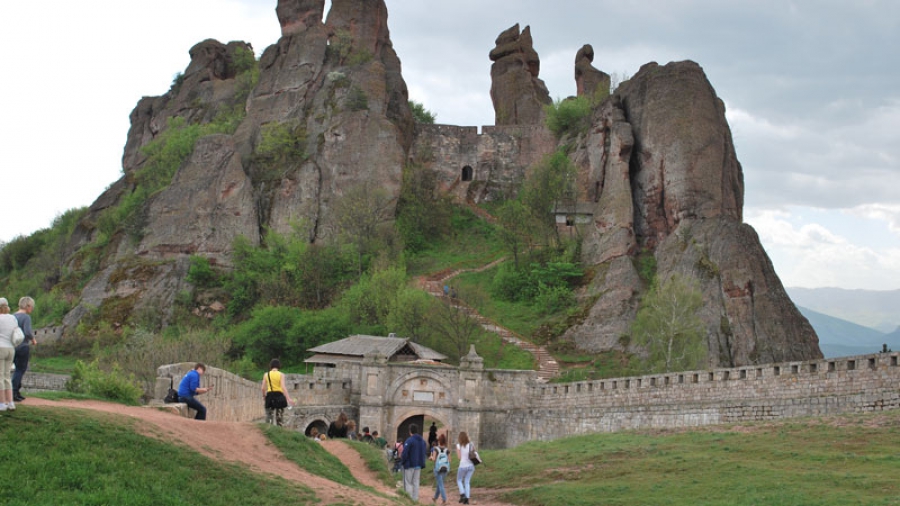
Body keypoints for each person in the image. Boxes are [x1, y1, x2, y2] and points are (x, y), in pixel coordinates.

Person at [12, 296, 35, 402]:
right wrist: (33, 339)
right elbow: (27, 331)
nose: (32, 309)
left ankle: (15, 391)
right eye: (32, 307)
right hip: (23, 346)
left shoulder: (12, 316)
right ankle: (14, 391)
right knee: (20, 369)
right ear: (27, 306)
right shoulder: (26, 317)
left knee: (15, 369)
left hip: (13, 346)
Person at [0, 298, 19, 412]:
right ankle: (11, 402)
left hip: (0, 348)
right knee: (7, 376)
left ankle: (2, 403)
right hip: (11, 349)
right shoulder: (13, 318)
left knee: (0, 377)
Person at [262, 359, 294, 426]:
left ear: (271, 366)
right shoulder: (281, 375)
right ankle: (279, 431)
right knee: (279, 418)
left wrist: (264, 396)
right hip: (279, 396)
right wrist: (288, 399)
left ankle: (268, 431)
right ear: (278, 366)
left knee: (269, 416)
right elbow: (283, 387)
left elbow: (263, 388)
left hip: (270, 396)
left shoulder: (266, 375)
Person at [400, 424, 427, 501]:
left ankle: (408, 500)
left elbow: (404, 453)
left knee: (408, 482)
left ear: (410, 431)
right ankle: (415, 499)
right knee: (416, 482)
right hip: (418, 465)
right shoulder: (422, 441)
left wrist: (403, 461)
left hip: (409, 465)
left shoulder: (409, 440)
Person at [430, 433, 452, 505]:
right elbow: (450, 460)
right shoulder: (447, 450)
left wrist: (430, 458)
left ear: (439, 441)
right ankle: (435, 498)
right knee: (440, 483)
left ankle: (444, 499)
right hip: (445, 469)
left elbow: (433, 459)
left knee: (440, 484)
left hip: (437, 469)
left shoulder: (436, 449)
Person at [456, 431, 476, 504]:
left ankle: (462, 494)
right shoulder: (471, 444)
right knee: (467, 482)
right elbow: (474, 453)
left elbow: (459, 457)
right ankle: (467, 499)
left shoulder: (458, 445)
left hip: (462, 466)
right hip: (471, 465)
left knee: (459, 480)